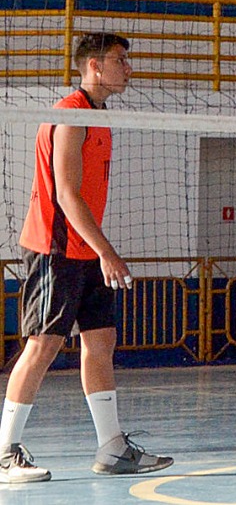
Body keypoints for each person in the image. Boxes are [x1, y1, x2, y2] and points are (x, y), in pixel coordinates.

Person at [0, 32, 172, 483]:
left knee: (101, 341)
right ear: (93, 66)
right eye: (120, 60)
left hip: (85, 248)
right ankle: (4, 452)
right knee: (42, 345)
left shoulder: (100, 116)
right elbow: (67, 195)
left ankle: (113, 447)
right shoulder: (71, 115)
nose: (128, 68)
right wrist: (107, 252)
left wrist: (98, 251)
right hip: (56, 247)